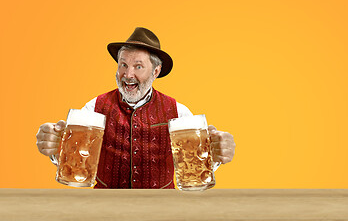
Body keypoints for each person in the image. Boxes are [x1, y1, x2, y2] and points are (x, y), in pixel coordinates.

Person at [35, 27, 235, 189]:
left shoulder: (179, 112)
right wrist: (54, 147)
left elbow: (196, 162)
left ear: (155, 71)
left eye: (138, 66)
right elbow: (73, 158)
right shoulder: (93, 109)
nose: (128, 74)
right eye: (123, 65)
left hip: (163, 209)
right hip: (104, 208)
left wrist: (217, 154)